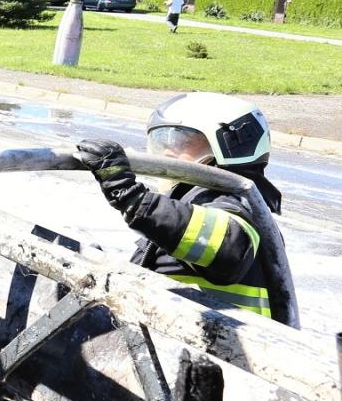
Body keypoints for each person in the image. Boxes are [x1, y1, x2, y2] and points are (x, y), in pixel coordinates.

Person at [74, 91, 290, 323]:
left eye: (184, 142)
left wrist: (135, 200)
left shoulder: (235, 202)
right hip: (181, 342)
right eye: (163, 141)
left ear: (229, 147)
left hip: (220, 350)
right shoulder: (193, 197)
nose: (168, 152)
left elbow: (229, 247)